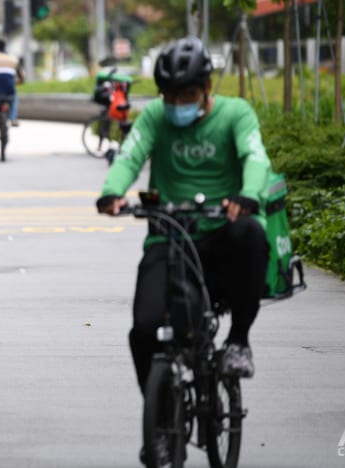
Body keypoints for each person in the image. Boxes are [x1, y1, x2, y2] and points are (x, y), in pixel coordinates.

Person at [96, 37, 271, 393]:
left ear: (207, 88)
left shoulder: (236, 113)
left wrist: (248, 196)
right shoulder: (156, 118)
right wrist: (112, 192)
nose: (177, 105)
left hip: (223, 230)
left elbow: (255, 158)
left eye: (187, 95)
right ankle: (158, 419)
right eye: (170, 96)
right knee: (143, 329)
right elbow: (130, 156)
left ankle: (238, 342)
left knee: (251, 233)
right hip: (170, 236)